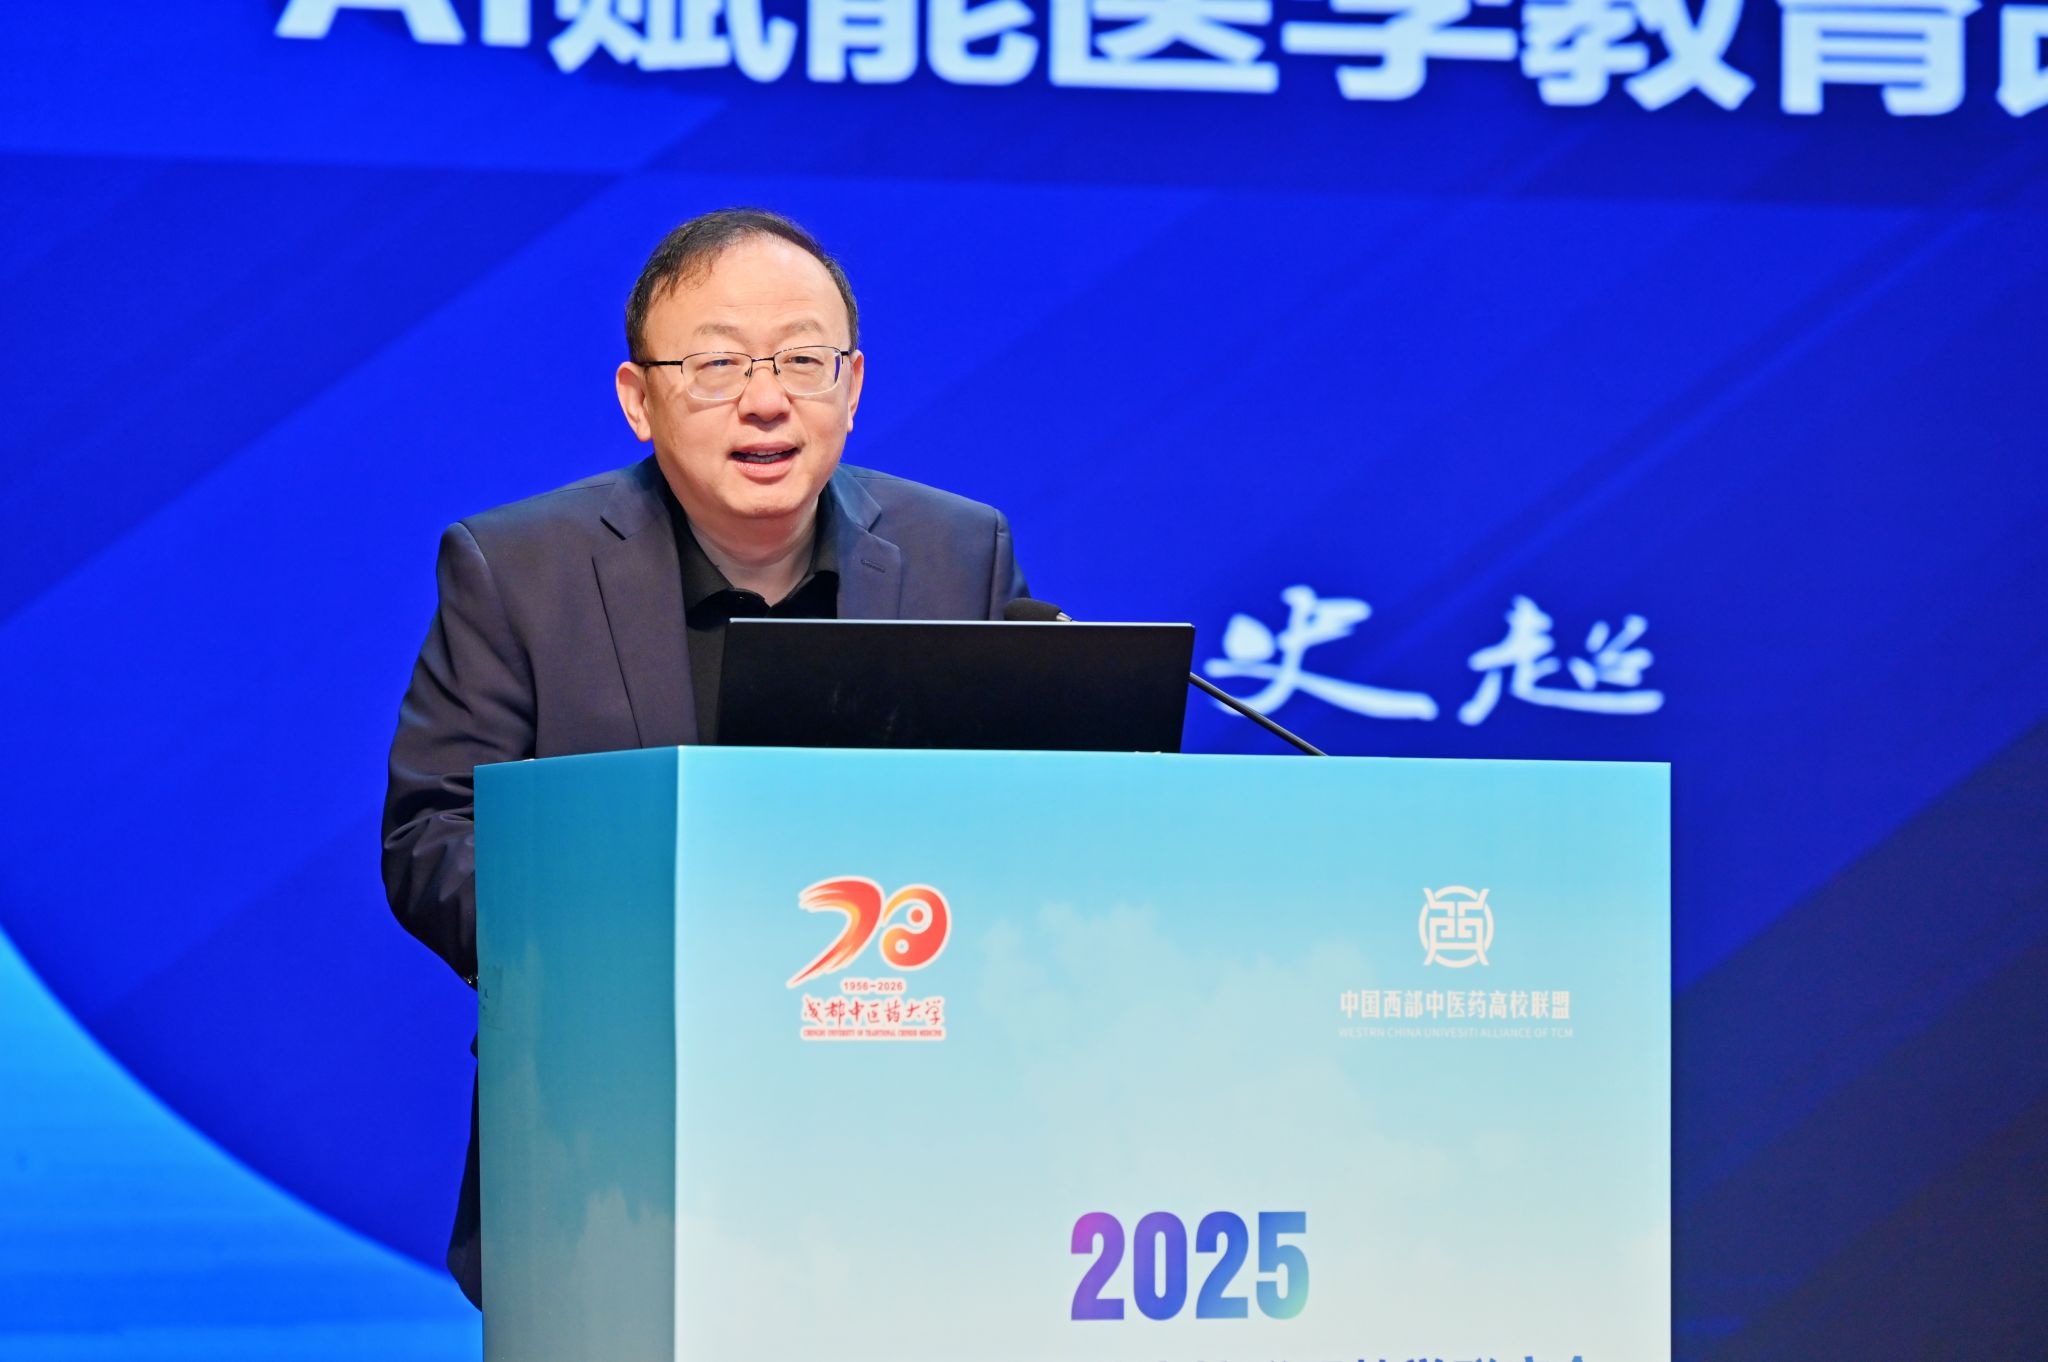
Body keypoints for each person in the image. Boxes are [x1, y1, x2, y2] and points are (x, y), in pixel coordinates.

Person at [381, 208, 1028, 1306]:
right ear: (638, 399)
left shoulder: (958, 555)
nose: (765, 401)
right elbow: (432, 837)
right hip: (611, 1151)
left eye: (802, 361)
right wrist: (635, 945)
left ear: (852, 385)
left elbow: (1032, 818)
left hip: (907, 1147)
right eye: (718, 365)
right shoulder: (517, 570)